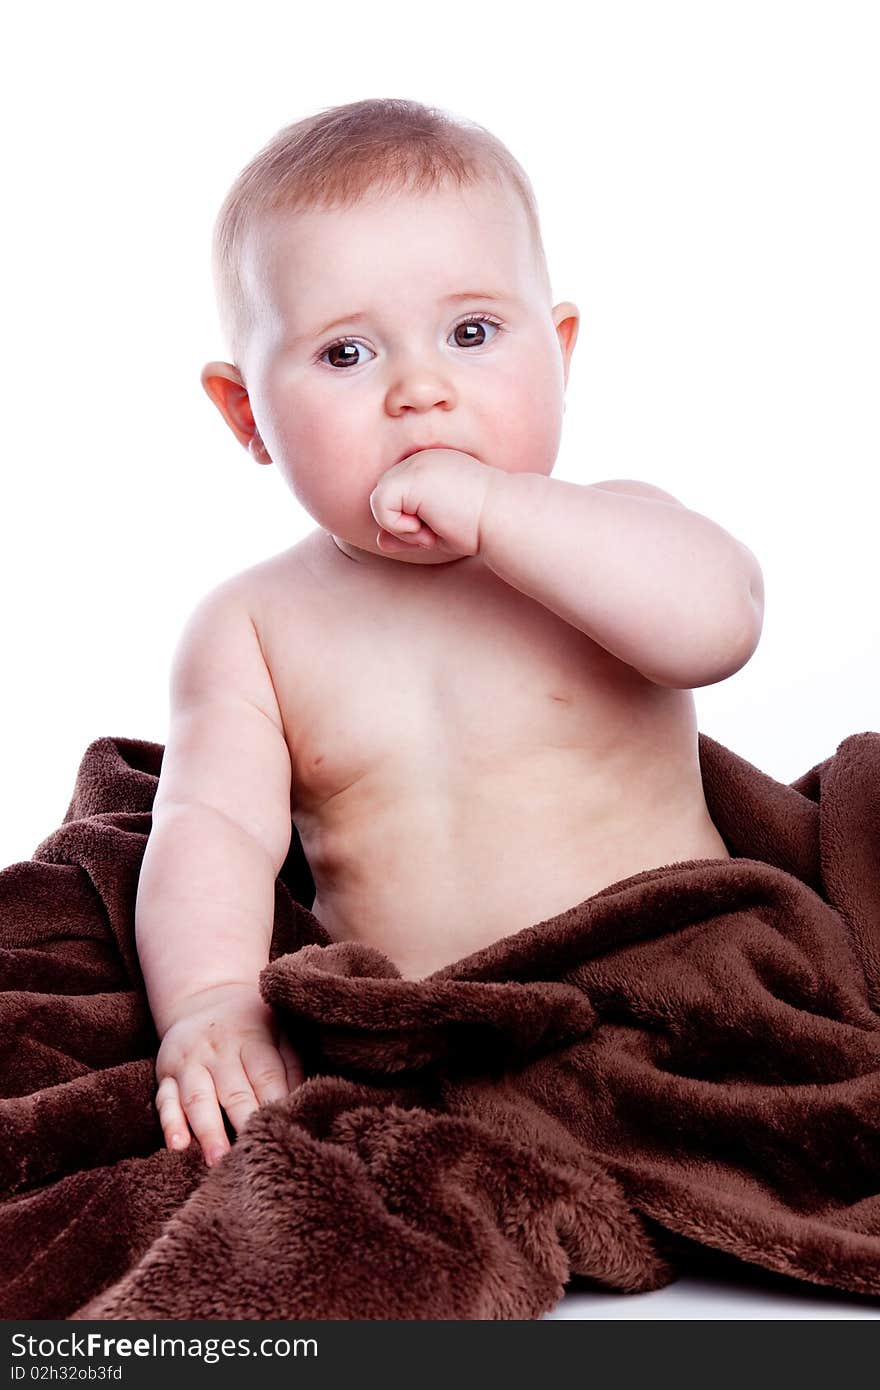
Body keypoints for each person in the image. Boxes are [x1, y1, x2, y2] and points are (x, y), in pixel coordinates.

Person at [136, 97, 763, 1171]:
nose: (419, 391)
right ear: (247, 418)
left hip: (674, 1013)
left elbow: (717, 627)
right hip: (431, 1053)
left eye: (472, 335)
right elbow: (213, 829)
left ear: (557, 352)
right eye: (345, 354)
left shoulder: (613, 532)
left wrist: (504, 515)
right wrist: (208, 1001)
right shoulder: (253, 626)